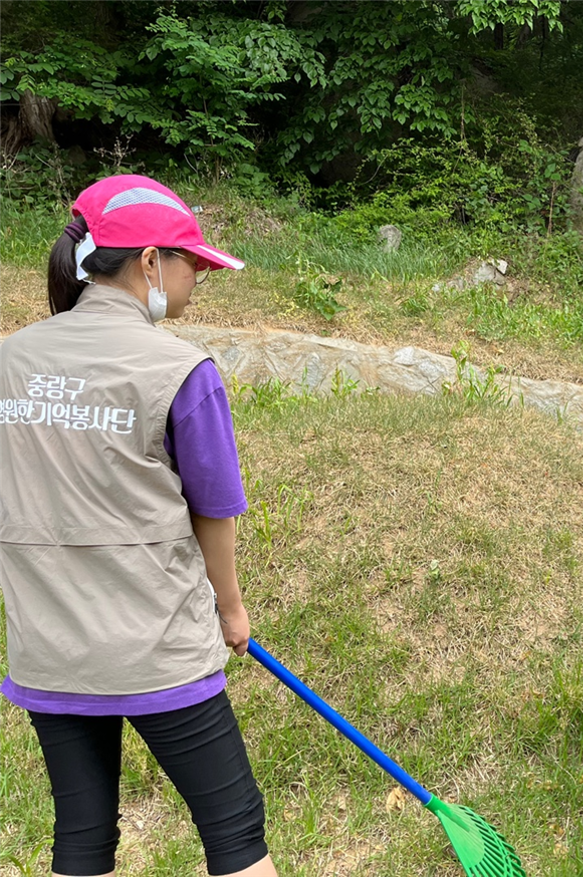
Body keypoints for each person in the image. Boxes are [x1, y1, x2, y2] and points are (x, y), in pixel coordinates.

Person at [0, 174, 278, 877]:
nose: (199, 281)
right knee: (235, 828)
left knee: (83, 834)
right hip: (156, 652)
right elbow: (214, 509)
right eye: (194, 264)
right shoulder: (181, 369)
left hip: (49, 649)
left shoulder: (10, 361)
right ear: (151, 262)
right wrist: (232, 609)